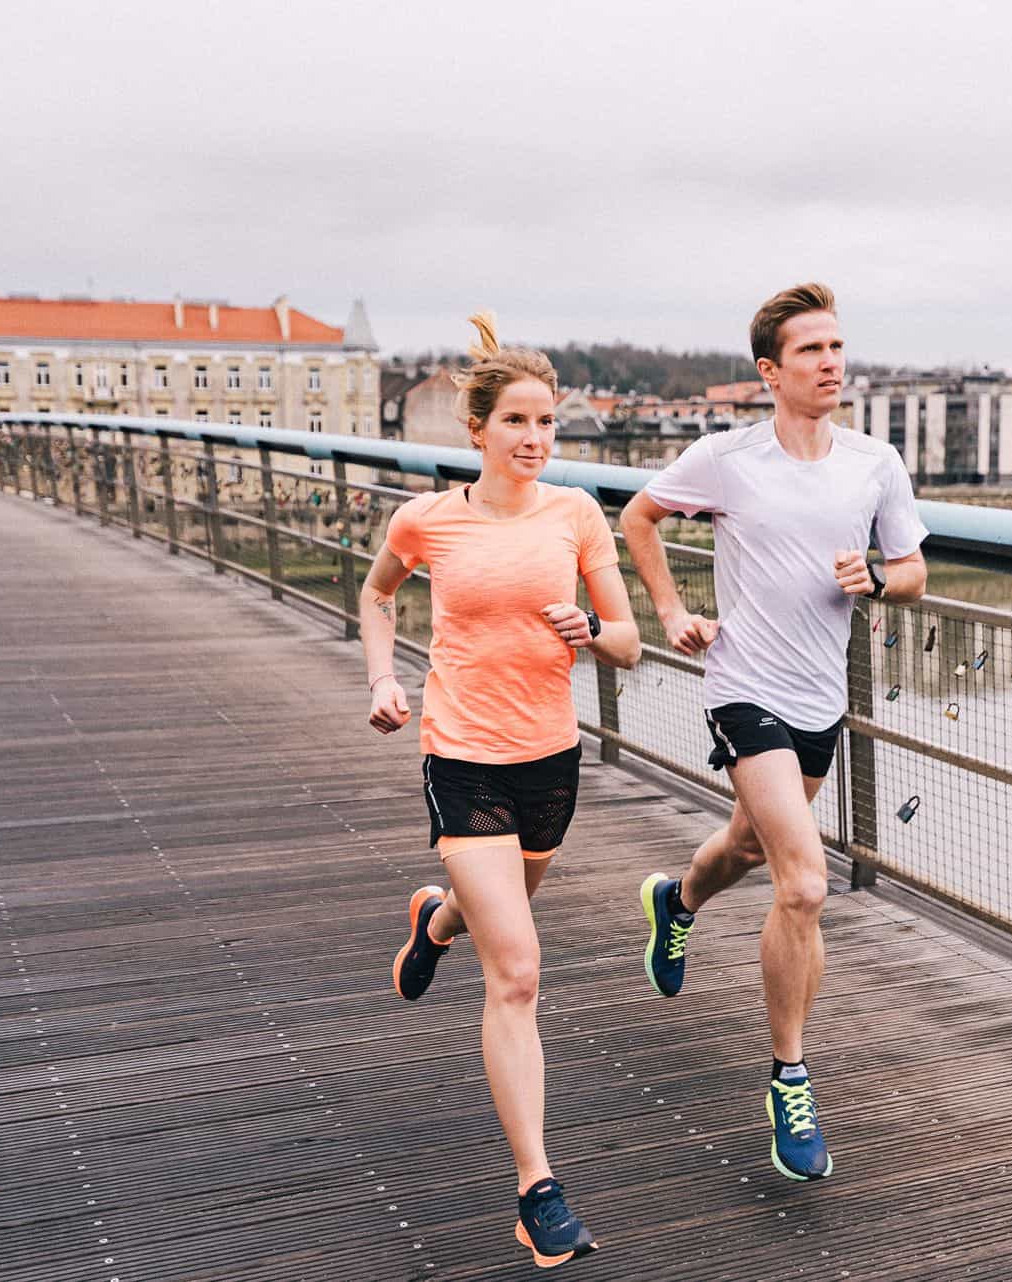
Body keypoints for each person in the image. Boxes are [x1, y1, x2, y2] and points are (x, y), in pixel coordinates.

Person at [619, 283, 928, 1182]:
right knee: (805, 884)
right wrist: (672, 608)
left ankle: (675, 902)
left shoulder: (874, 462)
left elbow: (913, 570)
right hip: (743, 685)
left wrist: (876, 575)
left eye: (837, 347)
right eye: (810, 352)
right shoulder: (727, 458)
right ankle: (790, 1078)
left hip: (818, 696)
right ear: (770, 371)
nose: (832, 363)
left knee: (753, 844)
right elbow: (639, 517)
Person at [362, 312, 640, 1269]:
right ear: (476, 430)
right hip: (463, 756)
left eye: (547, 423)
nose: (534, 439)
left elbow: (628, 642)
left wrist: (588, 630)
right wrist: (383, 678)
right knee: (517, 969)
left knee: (498, 917)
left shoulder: (575, 515)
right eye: (516, 421)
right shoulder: (428, 519)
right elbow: (376, 592)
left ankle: (435, 921)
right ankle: (538, 1191)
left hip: (549, 761)